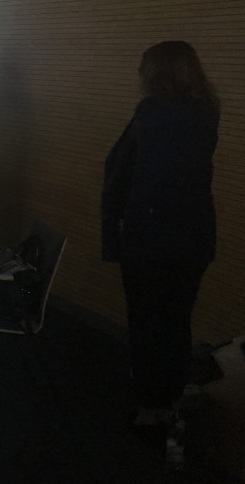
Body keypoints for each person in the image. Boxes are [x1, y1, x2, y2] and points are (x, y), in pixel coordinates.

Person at [101, 41, 219, 430]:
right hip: (194, 236)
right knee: (176, 320)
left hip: (150, 237)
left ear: (154, 72)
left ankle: (152, 406)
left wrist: (117, 231)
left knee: (146, 322)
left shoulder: (152, 111)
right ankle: (172, 395)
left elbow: (129, 172)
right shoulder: (207, 109)